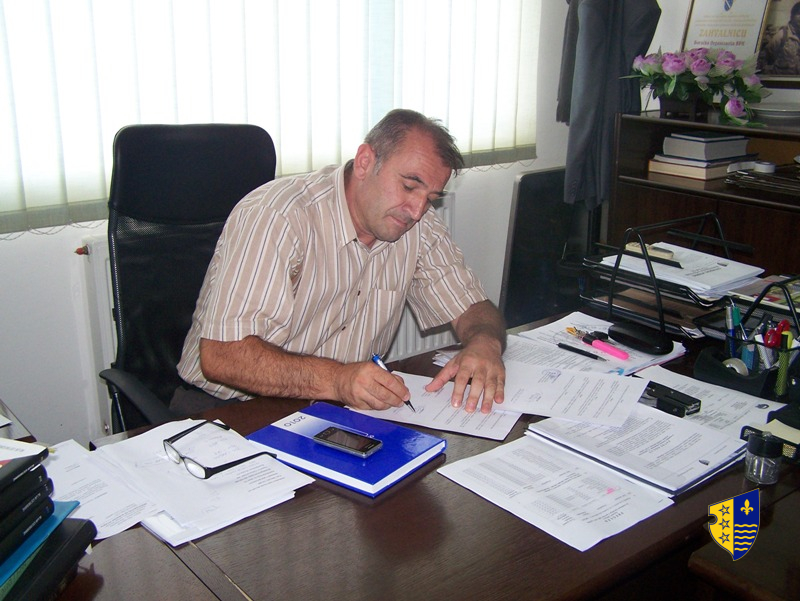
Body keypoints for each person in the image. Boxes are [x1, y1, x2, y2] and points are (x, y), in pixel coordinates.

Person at [175, 109, 506, 416]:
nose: (417, 210)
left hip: (333, 409)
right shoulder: (279, 216)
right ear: (364, 162)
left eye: (431, 198)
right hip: (228, 410)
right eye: (408, 186)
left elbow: (474, 308)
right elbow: (222, 356)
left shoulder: (419, 225)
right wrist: (337, 380)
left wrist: (485, 343)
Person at [760, 2, 800, 76]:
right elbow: (765, 57)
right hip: (782, 80)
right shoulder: (782, 35)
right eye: (799, 14)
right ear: (792, 16)